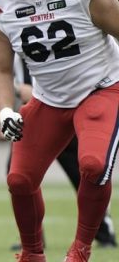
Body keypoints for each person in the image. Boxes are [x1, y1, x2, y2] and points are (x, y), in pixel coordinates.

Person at [0, 0, 119, 262]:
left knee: (91, 164)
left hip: (101, 87)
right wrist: (6, 110)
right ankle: (31, 261)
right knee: (19, 179)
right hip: (48, 97)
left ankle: (80, 251)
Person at [6, 56, 116, 250]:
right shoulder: (11, 37)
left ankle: (103, 232)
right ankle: (33, 243)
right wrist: (1, 117)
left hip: (63, 113)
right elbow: (0, 73)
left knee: (88, 170)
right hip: (34, 117)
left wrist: (22, 90)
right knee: (18, 177)